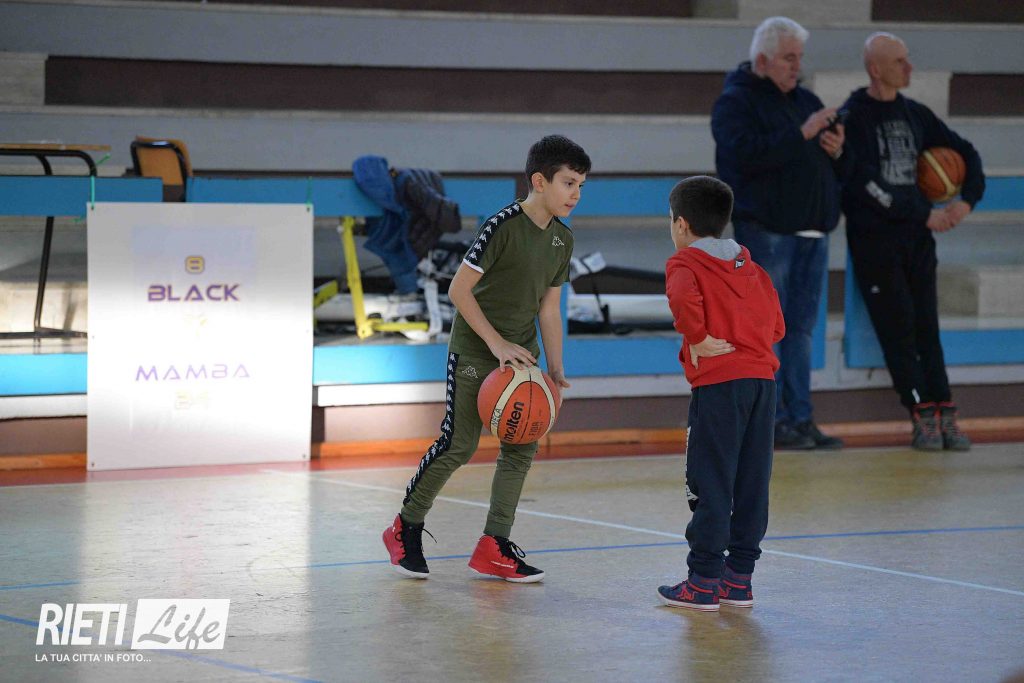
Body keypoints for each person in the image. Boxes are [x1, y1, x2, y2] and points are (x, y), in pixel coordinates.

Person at [382, 134, 591, 582]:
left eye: (580, 186)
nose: (576, 194)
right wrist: (496, 345)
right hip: (477, 349)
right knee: (459, 444)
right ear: (540, 181)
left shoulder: (563, 239)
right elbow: (459, 291)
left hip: (523, 356)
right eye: (568, 183)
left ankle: (494, 545)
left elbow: (549, 309)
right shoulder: (502, 225)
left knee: (522, 446)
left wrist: (555, 368)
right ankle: (405, 526)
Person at [840, 32, 984, 451]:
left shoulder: (916, 114)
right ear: (875, 69)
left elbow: (967, 153)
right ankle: (920, 413)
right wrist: (924, 213)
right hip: (875, 243)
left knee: (927, 328)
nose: (910, 67)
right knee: (898, 329)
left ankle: (946, 410)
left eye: (907, 59)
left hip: (918, 242)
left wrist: (966, 201)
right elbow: (866, 184)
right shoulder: (853, 118)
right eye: (899, 61)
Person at [711, 16, 849, 451]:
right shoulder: (735, 103)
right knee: (766, 331)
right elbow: (743, 159)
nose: (797, 66)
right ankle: (769, 423)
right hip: (767, 232)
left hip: (813, 233)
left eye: (799, 57)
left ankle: (800, 418)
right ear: (762, 60)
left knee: (802, 331)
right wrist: (802, 133)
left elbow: (826, 163)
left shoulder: (806, 99)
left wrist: (837, 151)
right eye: (789, 57)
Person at [657, 176, 785, 611]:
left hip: (718, 387)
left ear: (681, 224)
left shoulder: (684, 263)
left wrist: (696, 335)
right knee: (752, 481)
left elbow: (680, 297)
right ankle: (739, 579)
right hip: (763, 385)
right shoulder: (753, 269)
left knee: (711, 479)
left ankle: (703, 581)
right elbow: (778, 327)